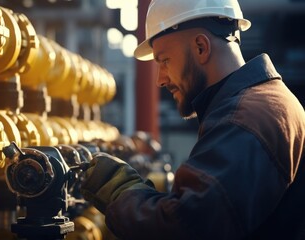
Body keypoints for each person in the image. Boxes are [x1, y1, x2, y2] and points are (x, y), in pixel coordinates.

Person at [80, 0, 305, 239]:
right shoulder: (264, 102)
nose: (160, 79)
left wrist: (119, 191)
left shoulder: (242, 121)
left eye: (164, 61)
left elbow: (183, 227)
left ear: (200, 47)